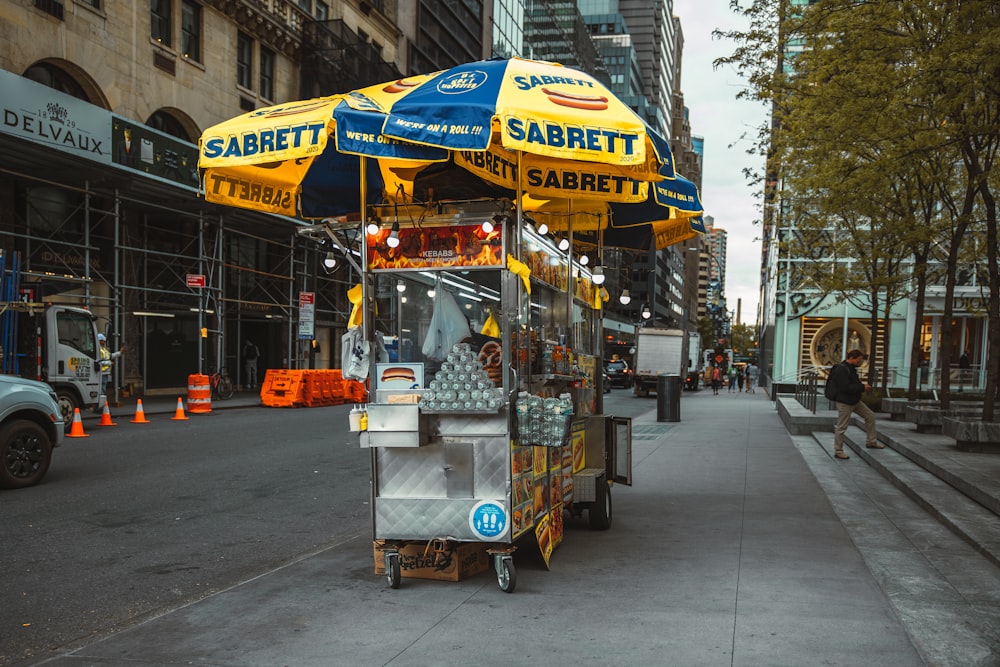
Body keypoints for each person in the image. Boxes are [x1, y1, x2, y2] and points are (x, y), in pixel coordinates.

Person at [828, 349, 882, 460]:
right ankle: (838, 451)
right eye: (859, 360)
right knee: (842, 427)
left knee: (870, 416)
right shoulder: (842, 369)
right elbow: (845, 387)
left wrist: (861, 387)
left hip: (854, 400)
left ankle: (871, 441)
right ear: (852, 357)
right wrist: (862, 387)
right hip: (845, 402)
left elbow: (852, 384)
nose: (860, 362)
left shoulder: (851, 369)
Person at [96, 333, 124, 411]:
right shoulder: (99, 350)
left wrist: (120, 353)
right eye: (103, 341)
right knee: (102, 390)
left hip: (105, 373)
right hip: (101, 373)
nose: (104, 342)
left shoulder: (103, 349)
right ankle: (100, 407)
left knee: (103, 390)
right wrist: (109, 363)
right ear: (100, 341)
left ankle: (100, 406)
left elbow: (110, 356)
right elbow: (98, 362)